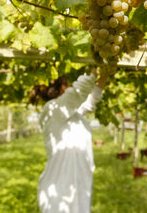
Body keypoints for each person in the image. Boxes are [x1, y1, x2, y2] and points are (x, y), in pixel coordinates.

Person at [29, 65, 114, 213]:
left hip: (75, 183)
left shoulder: (67, 112)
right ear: (63, 88)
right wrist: (96, 65)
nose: (70, 87)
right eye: (68, 84)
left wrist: (104, 74)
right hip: (59, 187)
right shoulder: (53, 109)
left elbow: (90, 101)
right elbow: (78, 92)